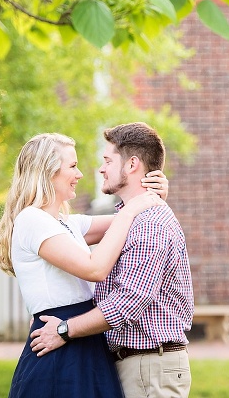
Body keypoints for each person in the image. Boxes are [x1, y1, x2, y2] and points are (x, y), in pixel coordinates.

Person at [0, 132, 169, 398]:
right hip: (59, 350)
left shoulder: (67, 224)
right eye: (72, 166)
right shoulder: (31, 220)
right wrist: (133, 208)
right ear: (49, 172)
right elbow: (94, 269)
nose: (81, 174)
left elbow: (129, 221)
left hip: (83, 341)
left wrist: (152, 195)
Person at [30, 122, 194, 398]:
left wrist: (64, 329)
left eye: (107, 160)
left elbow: (128, 301)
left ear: (131, 165)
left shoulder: (149, 223)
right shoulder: (133, 218)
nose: (101, 169)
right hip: (140, 365)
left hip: (149, 367)